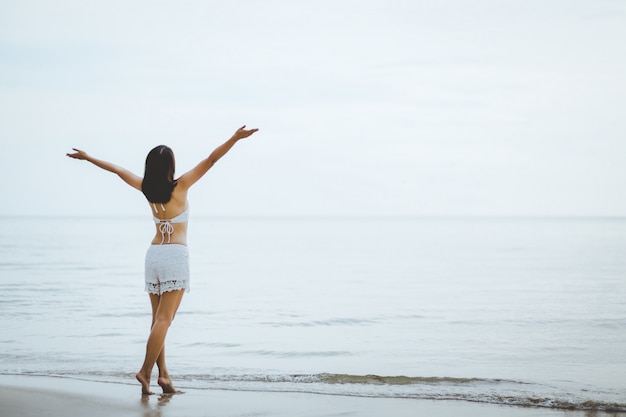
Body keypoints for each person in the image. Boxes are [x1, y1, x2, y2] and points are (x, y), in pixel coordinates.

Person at [67, 125, 259, 395]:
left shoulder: (145, 188)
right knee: (164, 320)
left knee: (158, 320)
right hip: (174, 256)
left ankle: (164, 377)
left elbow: (118, 170)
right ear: (170, 166)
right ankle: (145, 371)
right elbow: (211, 160)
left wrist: (89, 158)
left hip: (153, 255)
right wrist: (235, 139)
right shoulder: (180, 186)